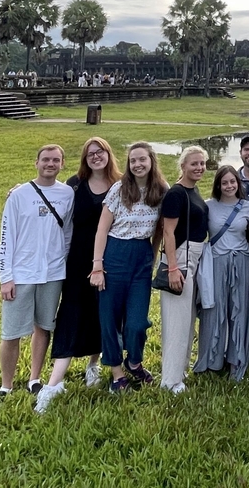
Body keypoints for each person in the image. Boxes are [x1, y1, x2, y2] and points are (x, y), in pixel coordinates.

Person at [35, 138, 122, 412]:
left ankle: (93, 364)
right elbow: (49, 193)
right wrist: (19, 190)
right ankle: (54, 383)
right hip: (77, 262)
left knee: (102, 314)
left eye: (101, 152)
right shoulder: (75, 184)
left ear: (109, 154)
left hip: (110, 261)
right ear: (85, 158)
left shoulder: (121, 184)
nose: (96, 157)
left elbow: (151, 192)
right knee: (71, 315)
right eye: (90, 153)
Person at [89, 142, 168, 392]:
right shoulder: (119, 189)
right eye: (133, 160)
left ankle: (134, 362)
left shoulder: (161, 190)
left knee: (136, 321)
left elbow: (160, 229)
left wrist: (152, 256)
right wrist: (98, 266)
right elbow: (102, 229)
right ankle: (116, 372)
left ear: (151, 160)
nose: (138, 164)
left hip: (142, 256)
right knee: (109, 318)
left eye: (142, 159)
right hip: (115, 255)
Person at [0, 145, 74, 398]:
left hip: (52, 273)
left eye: (55, 160)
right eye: (45, 160)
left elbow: (67, 233)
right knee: (11, 332)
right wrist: (5, 277)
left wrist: (60, 261)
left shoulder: (67, 194)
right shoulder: (19, 195)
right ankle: (6, 385)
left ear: (62, 164)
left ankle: (34, 378)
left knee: (44, 327)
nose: (50, 164)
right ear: (36, 163)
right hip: (21, 274)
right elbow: (6, 237)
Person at [194, 165, 249, 382]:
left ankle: (236, 361)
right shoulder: (208, 206)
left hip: (242, 262)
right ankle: (212, 360)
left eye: (233, 182)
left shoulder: (247, 207)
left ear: (238, 184)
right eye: (225, 182)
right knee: (215, 310)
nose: (229, 186)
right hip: (217, 263)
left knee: (239, 312)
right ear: (218, 185)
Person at [159, 146, 210, 393]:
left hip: (195, 255)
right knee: (176, 321)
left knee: (187, 320)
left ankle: (180, 371)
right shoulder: (176, 194)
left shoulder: (194, 190)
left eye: (202, 163)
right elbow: (167, 232)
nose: (199, 168)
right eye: (194, 164)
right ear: (183, 165)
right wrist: (172, 268)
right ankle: (170, 380)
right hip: (180, 257)